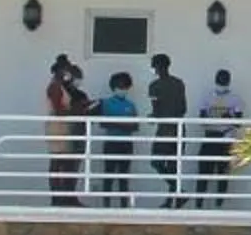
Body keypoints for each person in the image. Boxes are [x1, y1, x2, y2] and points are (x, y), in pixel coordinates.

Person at [194, 69, 243, 209]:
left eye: (224, 80)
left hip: (226, 138)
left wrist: (229, 118)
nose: (222, 83)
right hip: (210, 137)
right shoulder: (208, 97)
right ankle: (198, 206)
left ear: (228, 81)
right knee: (203, 173)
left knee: (222, 174)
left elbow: (238, 122)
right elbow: (201, 118)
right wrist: (209, 117)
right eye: (220, 80)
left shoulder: (235, 99)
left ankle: (219, 206)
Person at [147, 53, 191, 207]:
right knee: (173, 166)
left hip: (165, 130)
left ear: (156, 67)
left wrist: (153, 116)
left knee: (156, 162)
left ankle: (179, 193)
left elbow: (156, 110)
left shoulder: (154, 86)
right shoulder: (179, 83)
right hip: (179, 128)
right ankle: (172, 199)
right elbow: (183, 108)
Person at [44, 55, 86, 206]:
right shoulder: (55, 87)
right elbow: (59, 110)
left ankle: (67, 196)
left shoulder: (60, 86)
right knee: (58, 161)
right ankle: (57, 198)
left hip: (64, 125)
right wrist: (77, 110)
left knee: (67, 161)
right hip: (58, 126)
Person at [94, 72, 139, 206]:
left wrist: (117, 123)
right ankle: (106, 205)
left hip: (126, 143)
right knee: (109, 175)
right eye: (120, 87)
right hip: (111, 142)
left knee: (124, 176)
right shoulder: (106, 103)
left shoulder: (130, 105)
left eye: (125, 87)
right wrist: (123, 124)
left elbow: (135, 126)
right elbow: (103, 123)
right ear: (114, 87)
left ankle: (124, 206)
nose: (123, 90)